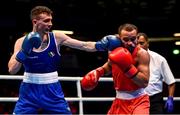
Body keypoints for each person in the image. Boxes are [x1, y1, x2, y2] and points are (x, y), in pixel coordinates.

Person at [8, 5, 119, 114]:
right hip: (29, 90)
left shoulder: (56, 37)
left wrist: (102, 45)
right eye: (46, 21)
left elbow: (84, 45)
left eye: (51, 20)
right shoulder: (21, 42)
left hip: (52, 89)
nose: (50, 24)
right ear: (35, 22)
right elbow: (12, 70)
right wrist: (24, 51)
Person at [81, 23, 150, 114]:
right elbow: (110, 65)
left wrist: (127, 68)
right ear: (119, 37)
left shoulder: (142, 54)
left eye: (133, 39)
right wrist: (98, 72)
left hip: (139, 101)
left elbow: (144, 82)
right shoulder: (114, 50)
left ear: (137, 38)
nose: (130, 43)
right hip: (120, 101)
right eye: (125, 39)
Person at [136, 32, 176, 114]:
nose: (139, 46)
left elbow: (171, 82)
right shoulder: (129, 59)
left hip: (155, 100)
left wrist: (170, 98)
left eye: (141, 43)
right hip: (136, 99)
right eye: (136, 43)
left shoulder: (159, 59)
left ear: (147, 43)